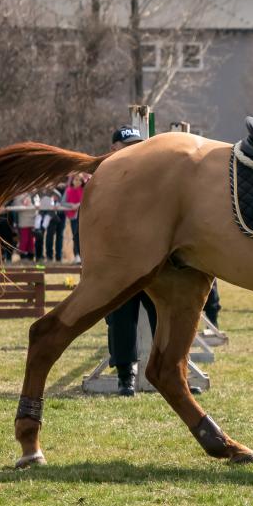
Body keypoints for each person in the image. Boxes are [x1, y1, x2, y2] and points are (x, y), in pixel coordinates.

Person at [103, 125, 154, 395]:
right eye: (129, 146)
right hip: (120, 261)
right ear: (114, 149)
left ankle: (175, 371)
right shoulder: (105, 180)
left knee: (166, 316)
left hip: (151, 258)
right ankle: (126, 377)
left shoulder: (150, 178)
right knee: (121, 319)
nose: (136, 150)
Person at [63, 173, 87, 264]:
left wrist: (79, 204)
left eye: (78, 180)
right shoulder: (68, 190)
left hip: (84, 217)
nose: (76, 181)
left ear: (82, 182)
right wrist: (71, 205)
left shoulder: (85, 190)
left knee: (83, 237)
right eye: (75, 179)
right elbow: (63, 202)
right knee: (76, 236)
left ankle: (84, 256)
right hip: (74, 217)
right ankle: (77, 256)